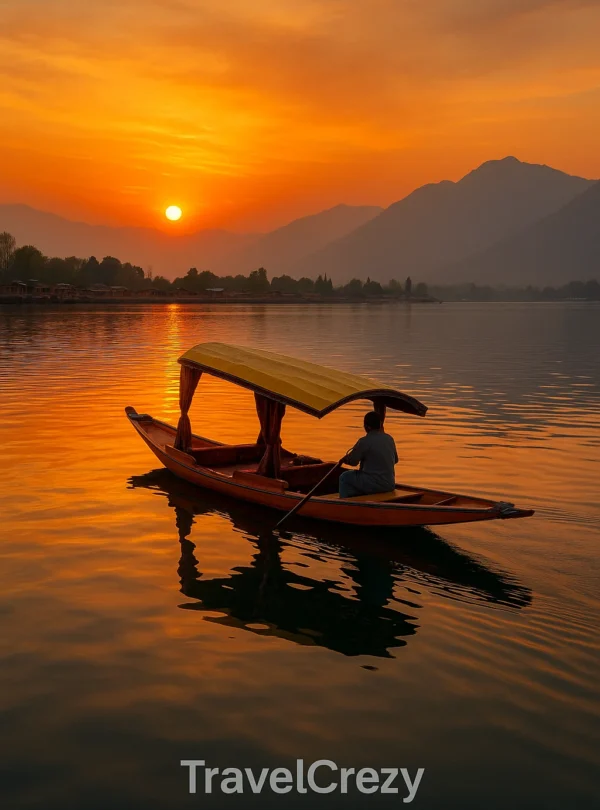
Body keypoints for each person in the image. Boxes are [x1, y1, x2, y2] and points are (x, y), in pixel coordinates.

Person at [338, 411, 398, 498]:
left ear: (367, 427)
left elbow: (353, 461)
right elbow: (395, 460)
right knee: (359, 477)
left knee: (344, 477)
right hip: (389, 484)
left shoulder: (364, 441)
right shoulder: (389, 439)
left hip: (374, 484)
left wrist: (344, 459)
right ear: (380, 424)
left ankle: (343, 505)